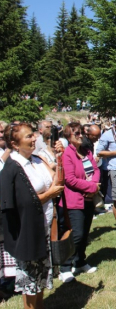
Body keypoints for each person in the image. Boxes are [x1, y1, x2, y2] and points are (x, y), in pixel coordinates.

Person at [1, 123, 64, 308]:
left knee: (40, 279)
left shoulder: (37, 160)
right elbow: (16, 204)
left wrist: (60, 159)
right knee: (30, 282)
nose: (34, 138)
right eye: (28, 136)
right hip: (26, 233)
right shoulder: (11, 168)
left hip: (43, 228)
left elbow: (57, 181)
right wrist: (48, 196)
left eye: (33, 135)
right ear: (14, 143)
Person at [58, 122, 100, 283]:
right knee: (76, 235)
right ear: (69, 137)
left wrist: (94, 186)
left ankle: (80, 261)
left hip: (89, 199)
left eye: (81, 132)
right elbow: (69, 179)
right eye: (77, 134)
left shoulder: (87, 151)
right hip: (74, 201)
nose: (81, 135)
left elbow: (95, 170)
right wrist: (90, 186)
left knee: (85, 234)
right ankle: (65, 268)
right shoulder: (67, 154)